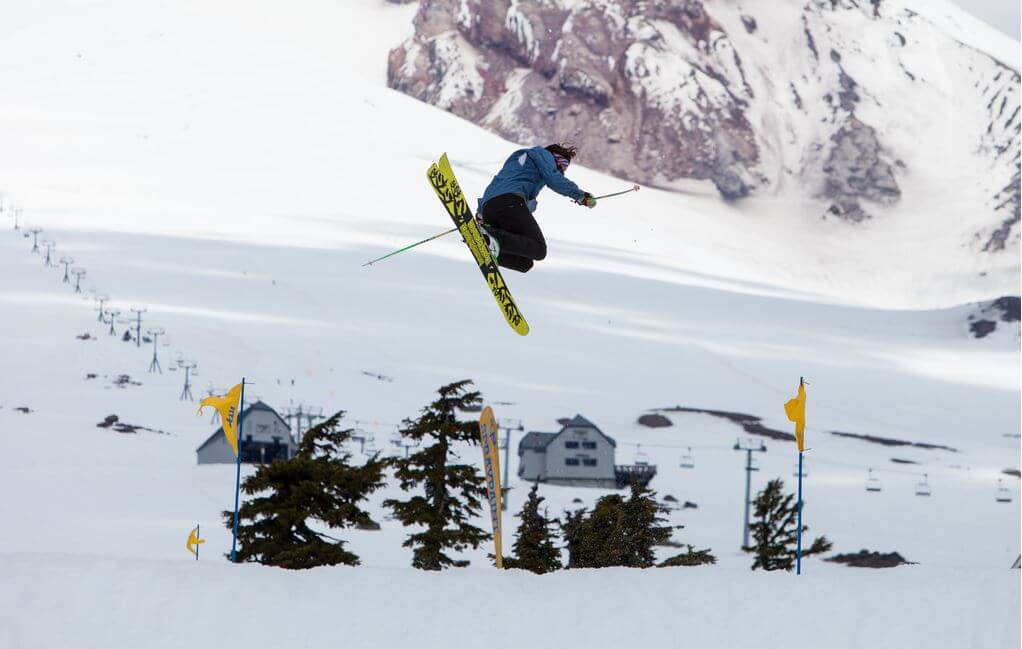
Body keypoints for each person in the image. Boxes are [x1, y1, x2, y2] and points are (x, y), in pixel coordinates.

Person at [475, 143, 597, 273]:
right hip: (509, 202)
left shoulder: (522, 165)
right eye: (560, 167)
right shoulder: (542, 155)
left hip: (491, 209)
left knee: (525, 263)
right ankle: (489, 237)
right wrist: (581, 196)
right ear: (554, 158)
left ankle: (487, 245)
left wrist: (481, 215)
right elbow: (554, 179)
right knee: (539, 249)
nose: (561, 171)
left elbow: (497, 186)